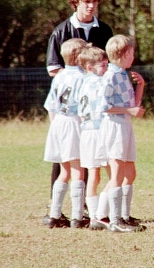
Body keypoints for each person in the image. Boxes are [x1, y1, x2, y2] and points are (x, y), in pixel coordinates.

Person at [44, 0, 113, 223]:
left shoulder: (104, 30)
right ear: (75, 2)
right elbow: (54, 69)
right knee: (64, 162)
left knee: (91, 160)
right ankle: (56, 209)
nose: (91, 6)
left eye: (94, 2)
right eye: (86, 2)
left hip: (93, 111)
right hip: (70, 113)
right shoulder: (61, 31)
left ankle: (92, 209)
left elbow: (110, 65)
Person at [98, 34, 146, 233]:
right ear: (125, 53)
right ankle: (114, 220)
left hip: (125, 126)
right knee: (117, 174)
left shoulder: (122, 74)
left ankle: (122, 216)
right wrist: (129, 111)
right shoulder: (111, 75)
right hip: (115, 127)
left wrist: (140, 86)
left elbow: (133, 105)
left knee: (130, 173)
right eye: (132, 52)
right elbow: (104, 106)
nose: (133, 56)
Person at [43, 38, 88, 228]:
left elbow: (51, 106)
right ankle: (78, 216)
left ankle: (54, 215)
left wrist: (56, 127)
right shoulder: (84, 77)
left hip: (58, 123)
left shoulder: (59, 76)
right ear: (78, 56)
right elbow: (85, 107)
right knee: (78, 169)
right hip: (74, 122)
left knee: (65, 170)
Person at [76, 45, 111, 230]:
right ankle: (101, 214)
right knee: (114, 174)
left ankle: (93, 217)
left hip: (86, 132)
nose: (106, 69)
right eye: (103, 66)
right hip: (99, 130)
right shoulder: (99, 82)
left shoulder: (81, 83)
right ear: (89, 67)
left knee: (93, 175)